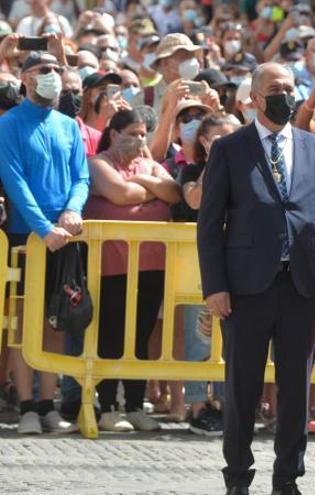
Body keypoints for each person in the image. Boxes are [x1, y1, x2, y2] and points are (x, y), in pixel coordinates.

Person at [197, 62, 315, 495]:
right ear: (256, 99)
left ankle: (287, 479)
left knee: (296, 390)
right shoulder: (230, 149)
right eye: (276, 89)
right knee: (242, 388)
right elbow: (210, 225)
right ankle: (238, 478)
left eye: (290, 87)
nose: (287, 94)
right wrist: (215, 286)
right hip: (245, 288)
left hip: (303, 286)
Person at [0, 52, 87, 436]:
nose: (52, 75)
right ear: (25, 78)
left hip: (63, 235)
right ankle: (27, 407)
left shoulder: (69, 126)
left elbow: (81, 177)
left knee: (55, 320)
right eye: (42, 70)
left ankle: (48, 405)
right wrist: (41, 227)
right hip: (25, 236)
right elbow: (14, 181)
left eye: (56, 69)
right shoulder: (9, 124)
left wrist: (71, 210)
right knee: (21, 323)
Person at [84, 108, 181, 432]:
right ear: (113, 134)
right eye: (133, 134)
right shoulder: (98, 163)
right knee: (111, 333)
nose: (140, 140)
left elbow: (172, 193)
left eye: (144, 134)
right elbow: (118, 193)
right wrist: (149, 192)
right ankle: (109, 406)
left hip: (151, 265)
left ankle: (137, 405)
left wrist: (139, 179)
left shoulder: (151, 164)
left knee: (141, 334)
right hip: (111, 264)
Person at [178, 112, 239, 436]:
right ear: (204, 141)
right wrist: (215, 160)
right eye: (219, 137)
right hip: (197, 264)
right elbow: (194, 200)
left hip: (237, 261)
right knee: (199, 333)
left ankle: (229, 403)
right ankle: (199, 404)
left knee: (232, 336)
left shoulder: (244, 168)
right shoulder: (191, 170)